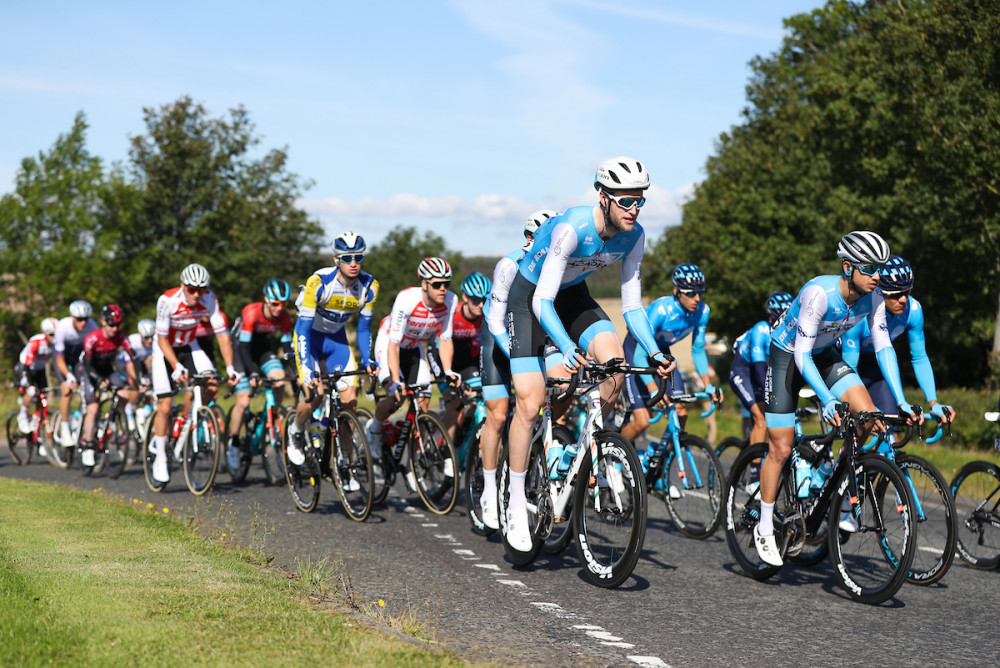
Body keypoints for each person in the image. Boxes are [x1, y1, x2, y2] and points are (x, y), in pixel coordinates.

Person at [504, 157, 674, 550]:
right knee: (529, 404)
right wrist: (565, 347)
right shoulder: (571, 229)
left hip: (572, 296)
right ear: (603, 197)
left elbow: (632, 307)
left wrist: (654, 352)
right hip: (530, 298)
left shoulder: (634, 236)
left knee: (614, 362)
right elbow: (542, 301)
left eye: (640, 202)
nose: (634, 210)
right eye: (626, 201)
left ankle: (581, 447)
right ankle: (515, 500)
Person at [755, 231, 921, 567]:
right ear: (848, 267)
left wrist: (902, 400)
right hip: (788, 356)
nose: (879, 276)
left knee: (872, 420)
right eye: (870, 269)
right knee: (781, 446)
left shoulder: (873, 298)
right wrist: (828, 399)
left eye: (881, 268)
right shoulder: (819, 293)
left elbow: (886, 347)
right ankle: (763, 525)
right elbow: (801, 353)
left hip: (824, 354)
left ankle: (840, 489)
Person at [477, 210, 557, 530]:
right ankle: (489, 489)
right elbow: (497, 321)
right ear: (529, 239)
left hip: (533, 332)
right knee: (497, 415)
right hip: (496, 335)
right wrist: (516, 356)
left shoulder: (555, 269)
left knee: (558, 388)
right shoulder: (509, 265)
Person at [287, 233, 379, 470]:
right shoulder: (319, 282)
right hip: (310, 337)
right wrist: (306, 367)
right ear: (336, 259)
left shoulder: (369, 286)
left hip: (337, 341)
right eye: (347, 258)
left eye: (358, 257)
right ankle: (295, 431)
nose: (353, 263)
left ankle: (344, 460)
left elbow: (363, 328)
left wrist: (368, 359)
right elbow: (304, 328)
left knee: (350, 402)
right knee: (315, 393)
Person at [366, 257, 461, 467]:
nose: (443, 289)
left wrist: (448, 370)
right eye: (437, 284)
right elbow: (394, 344)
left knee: (423, 403)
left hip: (416, 347)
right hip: (390, 343)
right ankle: (374, 428)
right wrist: (394, 379)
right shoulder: (407, 299)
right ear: (424, 284)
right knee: (395, 397)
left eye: (447, 284)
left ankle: (411, 453)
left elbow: (445, 339)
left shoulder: (450, 301)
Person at [840, 255, 955, 426]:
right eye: (895, 295)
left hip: (875, 364)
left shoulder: (913, 311)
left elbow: (920, 358)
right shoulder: (859, 313)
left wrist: (933, 402)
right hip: (845, 363)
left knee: (889, 427)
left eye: (907, 292)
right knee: (863, 423)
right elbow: (851, 368)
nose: (903, 299)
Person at [150, 263, 238, 484]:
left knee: (211, 385)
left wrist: (230, 368)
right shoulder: (167, 300)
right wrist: (176, 367)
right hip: (164, 350)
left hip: (190, 345)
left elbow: (222, 335)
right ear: (182, 285)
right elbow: (161, 338)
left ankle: (186, 419)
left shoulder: (209, 299)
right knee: (165, 405)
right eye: (191, 289)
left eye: (201, 289)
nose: (196, 294)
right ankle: (160, 456)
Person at [620, 263, 723, 447]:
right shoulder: (660, 310)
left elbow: (698, 350)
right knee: (642, 421)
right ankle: (614, 457)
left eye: (700, 292)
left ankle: (661, 461)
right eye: (690, 293)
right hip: (637, 349)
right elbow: (639, 357)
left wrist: (708, 385)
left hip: (663, 353)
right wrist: (653, 389)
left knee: (681, 412)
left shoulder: (702, 312)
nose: (697, 298)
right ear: (677, 291)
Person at [226, 279, 294, 471]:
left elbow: (287, 347)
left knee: (279, 378)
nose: (279, 309)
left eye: (283, 304)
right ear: (266, 299)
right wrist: (253, 373)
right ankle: (233, 443)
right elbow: (244, 347)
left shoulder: (285, 317)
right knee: (244, 401)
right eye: (275, 304)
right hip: (240, 349)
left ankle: (272, 415)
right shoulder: (252, 312)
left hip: (262, 347)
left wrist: (295, 373)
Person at [727, 292, 793, 447]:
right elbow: (758, 367)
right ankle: (755, 469)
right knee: (761, 420)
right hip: (742, 372)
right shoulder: (761, 329)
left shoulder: (790, 333)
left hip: (762, 372)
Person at [77, 305, 139, 467]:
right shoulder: (92, 338)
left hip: (106, 370)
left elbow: (135, 359)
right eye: (111, 324)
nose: (114, 328)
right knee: (93, 408)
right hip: (89, 371)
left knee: (125, 393)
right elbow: (88, 365)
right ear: (103, 322)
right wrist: (98, 380)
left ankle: (113, 418)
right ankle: (89, 446)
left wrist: (138, 380)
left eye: (118, 325)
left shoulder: (122, 337)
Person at [436, 272, 491, 442]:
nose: (481, 305)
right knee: (454, 404)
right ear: (465, 297)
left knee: (478, 396)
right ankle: (446, 451)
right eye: (475, 299)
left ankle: (465, 429)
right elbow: (438, 346)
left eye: (485, 300)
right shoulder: (453, 314)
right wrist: (448, 373)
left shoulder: (485, 317)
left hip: (465, 358)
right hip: (441, 356)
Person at [53, 300, 98, 447]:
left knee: (88, 386)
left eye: (85, 319)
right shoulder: (63, 327)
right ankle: (65, 430)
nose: (83, 323)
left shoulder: (92, 326)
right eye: (79, 319)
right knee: (66, 390)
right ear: (72, 317)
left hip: (79, 357)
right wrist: (68, 375)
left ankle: (84, 423)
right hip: (62, 358)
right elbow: (59, 360)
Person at [15, 317, 59, 438]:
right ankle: (22, 416)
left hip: (39, 369)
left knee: (43, 395)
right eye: (51, 335)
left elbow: (58, 363)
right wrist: (28, 383)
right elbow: (27, 364)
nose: (54, 337)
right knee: (32, 391)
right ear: (45, 333)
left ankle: (36, 425)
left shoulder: (56, 344)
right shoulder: (36, 342)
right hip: (25, 367)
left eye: (57, 334)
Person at [114, 318, 156, 433]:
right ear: (140, 334)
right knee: (136, 384)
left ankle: (146, 410)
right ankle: (129, 409)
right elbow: (130, 367)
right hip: (124, 364)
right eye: (146, 337)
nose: (150, 341)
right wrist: (138, 382)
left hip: (139, 363)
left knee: (150, 386)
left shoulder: (155, 341)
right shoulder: (132, 341)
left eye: (152, 337)